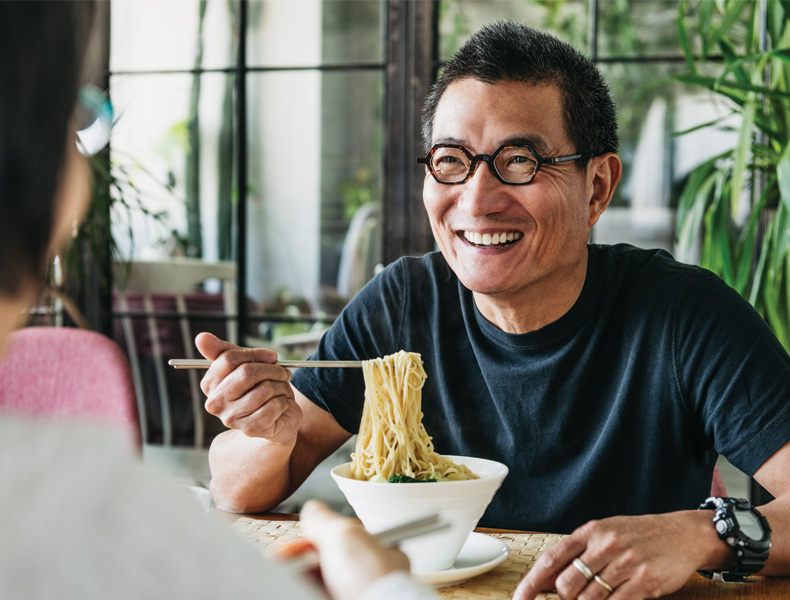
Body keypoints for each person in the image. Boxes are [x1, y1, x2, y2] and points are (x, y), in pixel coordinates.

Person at [198, 20, 790, 600]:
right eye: (452, 160)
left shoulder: (683, 315)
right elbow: (235, 489)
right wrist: (270, 434)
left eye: (519, 160)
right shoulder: (402, 306)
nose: (478, 200)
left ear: (598, 187)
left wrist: (701, 534)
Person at [0, 3, 438, 600]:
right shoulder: (98, 522)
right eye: (82, 115)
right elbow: (235, 486)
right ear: (54, 183)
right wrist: (381, 585)